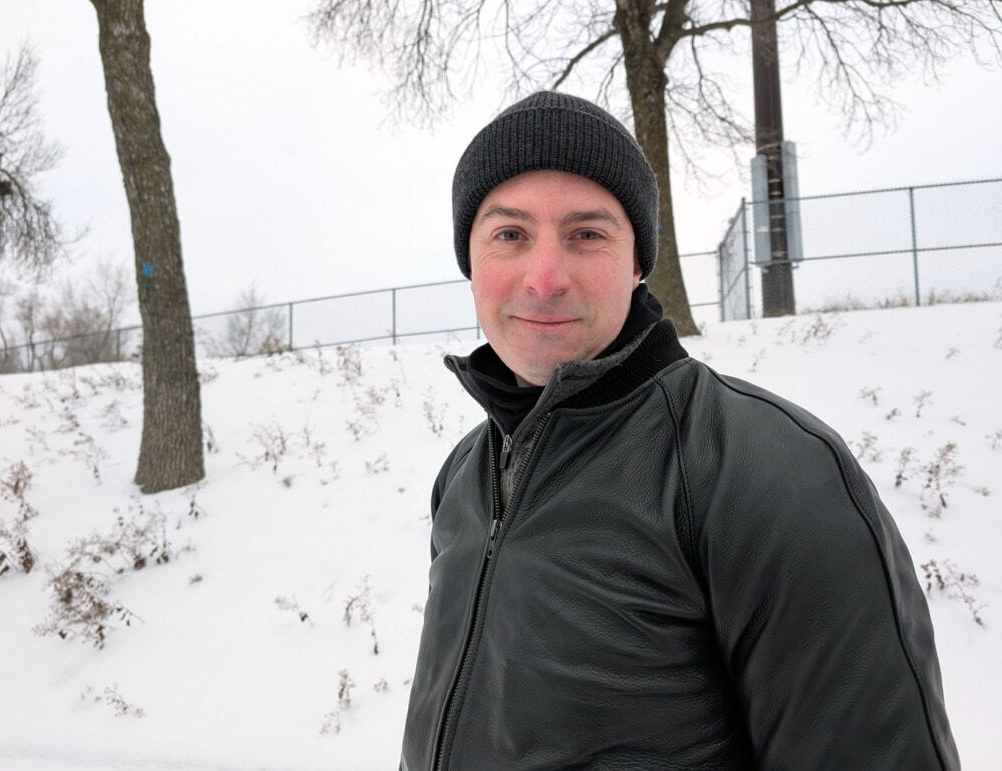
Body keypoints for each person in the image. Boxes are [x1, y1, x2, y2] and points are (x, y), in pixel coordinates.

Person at [400, 91, 958, 770]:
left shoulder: (769, 471)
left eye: (587, 234)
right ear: (471, 260)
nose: (544, 278)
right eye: (510, 234)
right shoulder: (465, 475)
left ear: (638, 264)